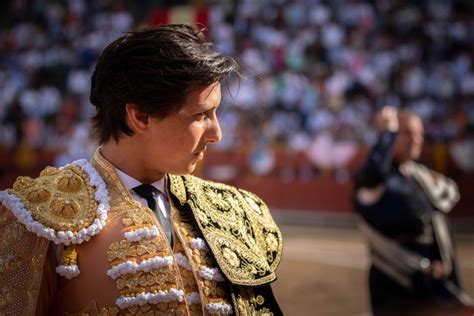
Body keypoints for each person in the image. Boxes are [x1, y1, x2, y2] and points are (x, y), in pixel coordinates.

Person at [0, 24, 283, 315]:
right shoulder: (36, 217)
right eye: (200, 115)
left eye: (215, 112)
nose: (217, 134)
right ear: (140, 116)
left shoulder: (232, 210)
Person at [353, 106, 472, 315]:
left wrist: (440, 264)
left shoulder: (422, 178)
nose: (415, 139)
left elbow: (435, 226)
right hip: (394, 280)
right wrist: (387, 134)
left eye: (419, 134)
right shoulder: (380, 178)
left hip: (429, 281)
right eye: (407, 133)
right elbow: (369, 176)